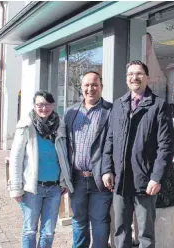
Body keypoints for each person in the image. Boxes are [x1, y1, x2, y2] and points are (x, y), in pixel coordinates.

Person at [102, 60, 174, 248]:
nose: (135, 77)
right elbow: (110, 140)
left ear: (147, 78)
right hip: (120, 180)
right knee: (120, 231)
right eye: (130, 74)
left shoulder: (159, 106)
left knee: (145, 234)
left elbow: (165, 146)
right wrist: (107, 170)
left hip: (145, 182)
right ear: (126, 79)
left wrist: (157, 177)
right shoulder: (118, 105)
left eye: (139, 73)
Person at [8, 90, 73, 248]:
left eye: (47, 104)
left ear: (53, 105)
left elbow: (64, 156)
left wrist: (64, 181)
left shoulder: (60, 126)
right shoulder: (26, 125)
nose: (44, 108)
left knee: (49, 232)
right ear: (34, 106)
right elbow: (16, 158)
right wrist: (16, 188)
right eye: (40, 105)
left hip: (54, 188)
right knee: (30, 230)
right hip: (32, 188)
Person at [64, 71, 113, 248]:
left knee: (100, 221)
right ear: (81, 88)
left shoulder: (111, 111)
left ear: (101, 87)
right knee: (78, 221)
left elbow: (114, 144)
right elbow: (63, 146)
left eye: (94, 85)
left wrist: (109, 170)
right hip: (76, 178)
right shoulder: (70, 113)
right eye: (86, 85)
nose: (90, 89)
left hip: (100, 179)